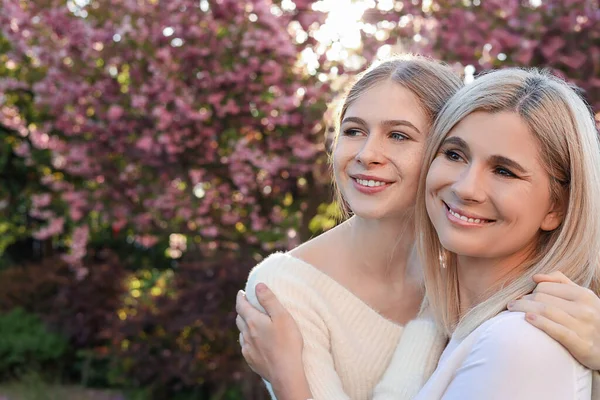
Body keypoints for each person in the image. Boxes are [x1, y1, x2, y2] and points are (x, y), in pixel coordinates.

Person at [236, 63, 600, 399]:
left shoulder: (519, 338)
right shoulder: (461, 287)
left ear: (558, 207)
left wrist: (289, 380)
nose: (465, 187)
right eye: (456, 155)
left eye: (398, 135)